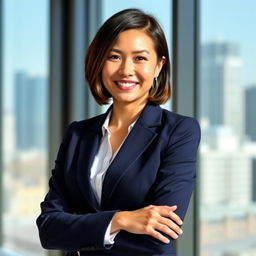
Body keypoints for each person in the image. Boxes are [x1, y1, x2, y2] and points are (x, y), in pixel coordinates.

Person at [36, 8, 201, 256]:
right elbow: (48, 229)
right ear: (100, 62)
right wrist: (120, 220)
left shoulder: (179, 132)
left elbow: (161, 235)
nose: (126, 69)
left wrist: (79, 229)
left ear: (158, 66)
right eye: (114, 56)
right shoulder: (77, 135)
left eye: (140, 58)